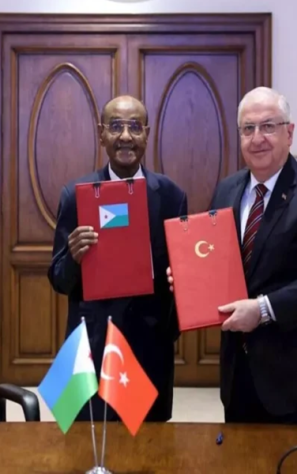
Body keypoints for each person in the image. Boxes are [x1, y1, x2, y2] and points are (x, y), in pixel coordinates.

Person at [168, 87, 297, 424]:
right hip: (239, 376)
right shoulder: (227, 189)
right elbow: (217, 263)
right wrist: (188, 275)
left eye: (268, 126)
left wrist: (263, 309)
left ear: (289, 133)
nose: (257, 138)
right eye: (248, 129)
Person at [48, 95, 188, 423]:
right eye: (115, 126)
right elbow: (58, 279)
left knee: (150, 445)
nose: (125, 136)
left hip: (149, 350)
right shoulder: (76, 195)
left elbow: (181, 276)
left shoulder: (171, 196)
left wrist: (170, 327)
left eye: (135, 127)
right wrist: (74, 257)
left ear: (147, 134)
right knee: (86, 444)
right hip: (92, 348)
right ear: (101, 134)